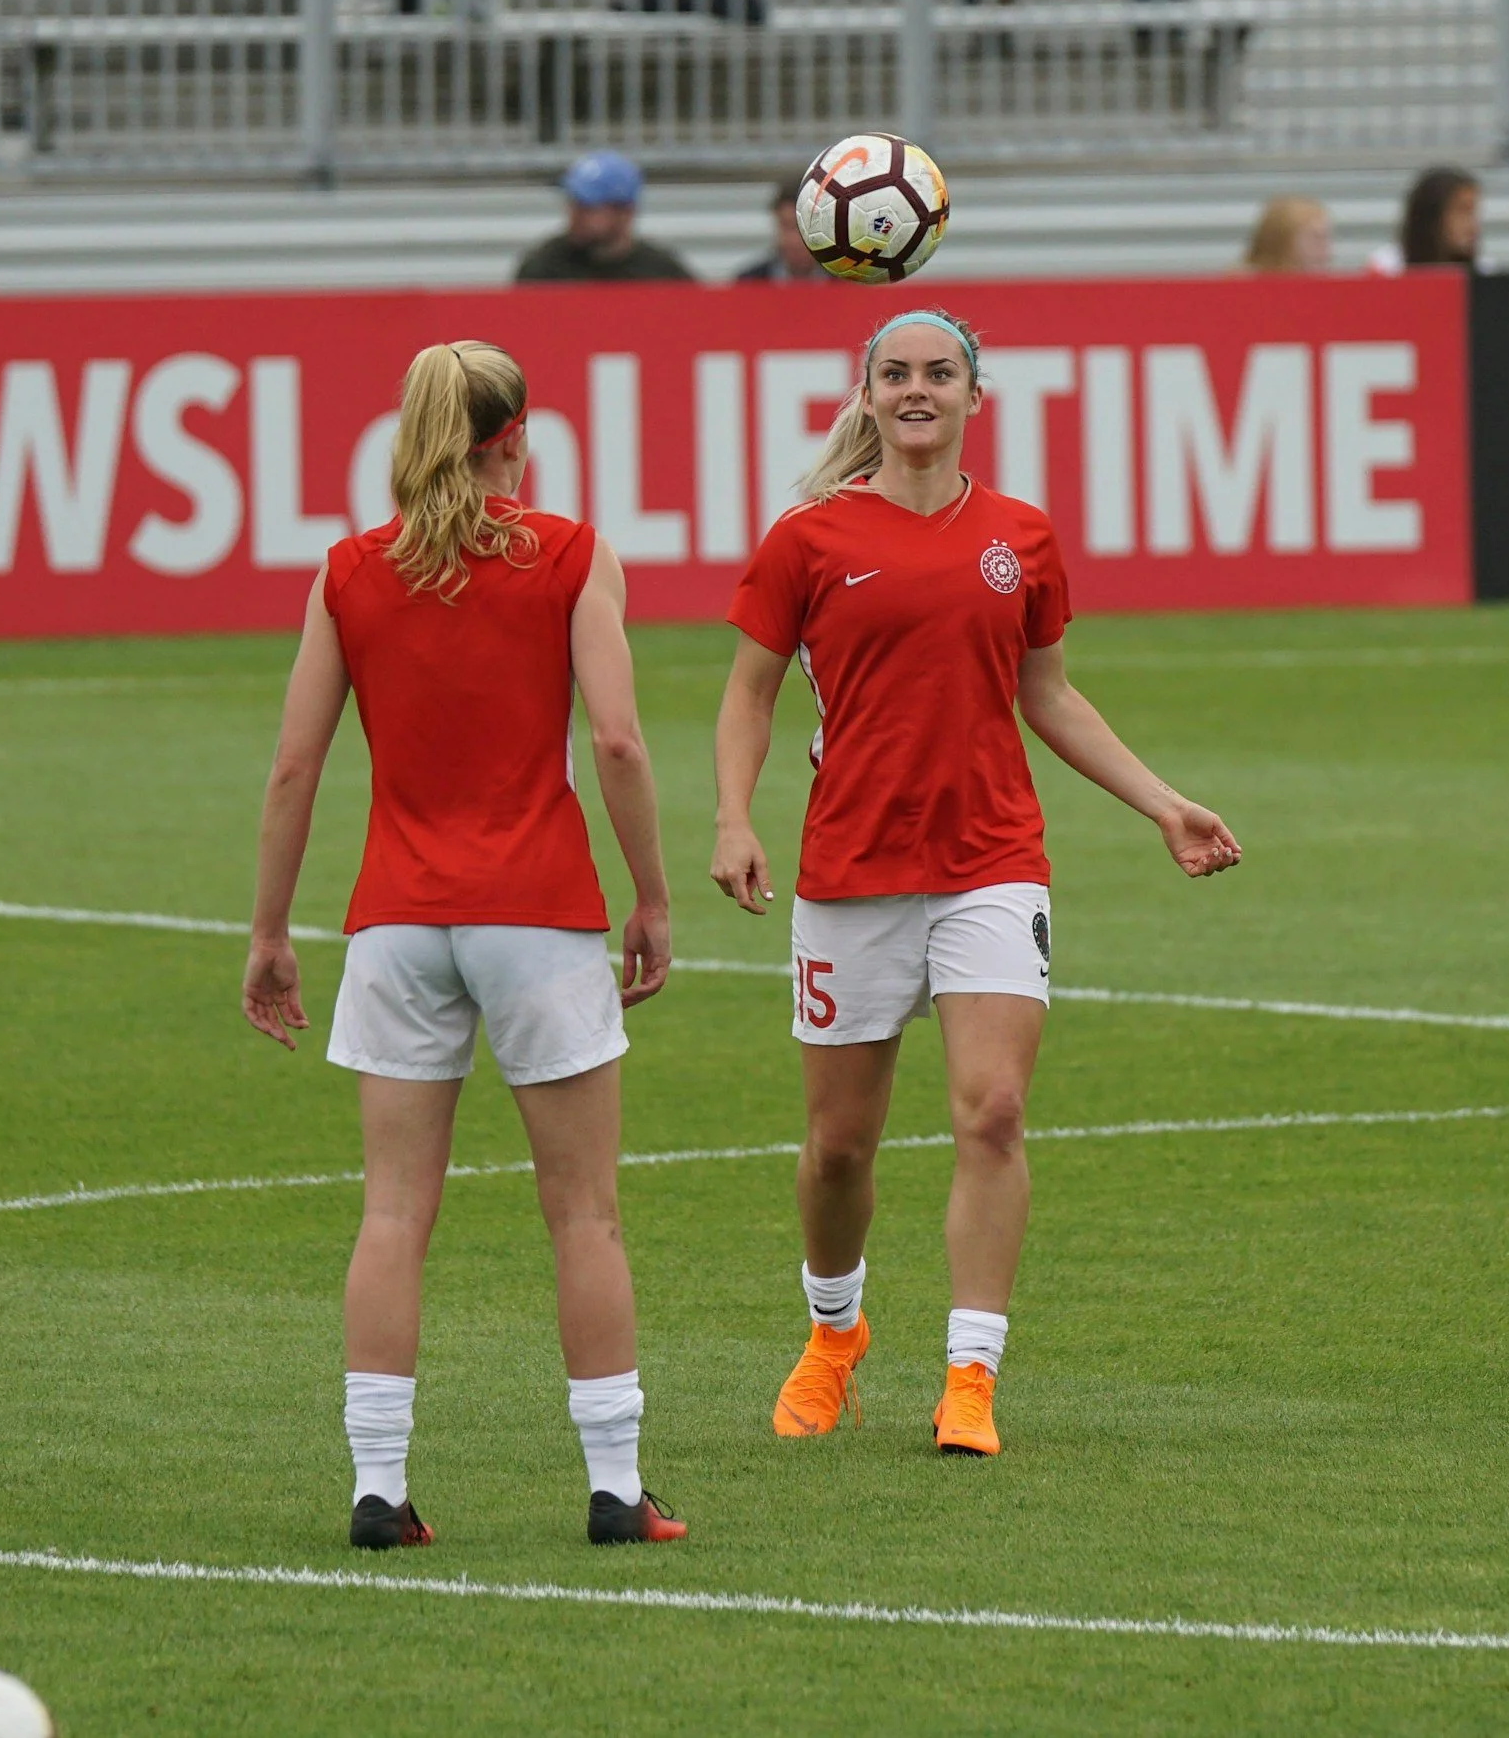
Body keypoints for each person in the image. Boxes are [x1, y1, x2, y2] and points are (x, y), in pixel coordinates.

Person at [710, 310, 1242, 1459]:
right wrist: (731, 817)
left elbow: (1045, 691)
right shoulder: (805, 539)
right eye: (894, 374)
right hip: (848, 869)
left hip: (991, 862)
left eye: (937, 374)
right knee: (839, 1145)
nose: (915, 390)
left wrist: (1162, 802)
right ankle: (834, 1334)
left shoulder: (1020, 536)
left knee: (992, 1112)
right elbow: (749, 692)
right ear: (864, 396)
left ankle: (970, 1375)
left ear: (972, 396)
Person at [242, 339, 685, 1549]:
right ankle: (613, 1488)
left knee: (393, 1215)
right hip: (535, 911)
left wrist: (271, 927)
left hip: (396, 920)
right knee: (583, 1215)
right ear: (513, 437)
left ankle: (378, 1491)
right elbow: (620, 744)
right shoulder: (571, 554)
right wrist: (649, 896)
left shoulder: (349, 571)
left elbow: (294, 765)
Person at [515, 151, 696, 284]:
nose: (574, 214)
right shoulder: (544, 268)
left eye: (587, 206)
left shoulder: (660, 273)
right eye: (573, 203)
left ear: (625, 213)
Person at [1367, 165, 1482, 273]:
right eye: (1461, 211)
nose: (1472, 226)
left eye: (1473, 213)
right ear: (1432, 216)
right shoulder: (1386, 268)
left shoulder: (1484, 273)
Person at [734, 176, 825, 283]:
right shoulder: (749, 283)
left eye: (805, 228)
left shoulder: (845, 284)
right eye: (787, 226)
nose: (795, 240)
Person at [1242, 196, 1333, 273]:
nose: (1326, 249)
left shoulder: (1329, 288)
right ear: (1283, 240)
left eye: (1326, 237)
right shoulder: (1240, 286)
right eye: (1316, 237)